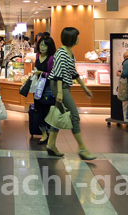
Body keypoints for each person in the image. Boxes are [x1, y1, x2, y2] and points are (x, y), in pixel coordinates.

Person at [46, 27, 96, 160]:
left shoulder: (70, 53)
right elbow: (58, 75)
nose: (79, 38)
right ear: (72, 38)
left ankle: (51, 144)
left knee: (58, 114)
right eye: (77, 36)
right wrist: (60, 93)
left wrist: (84, 87)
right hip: (60, 86)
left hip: (64, 86)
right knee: (74, 115)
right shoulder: (61, 53)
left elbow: (73, 73)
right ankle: (82, 148)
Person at [34, 36, 56, 144]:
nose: (42, 47)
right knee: (38, 111)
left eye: (45, 45)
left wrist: (42, 73)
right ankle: (43, 134)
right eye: (41, 44)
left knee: (47, 112)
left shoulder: (51, 58)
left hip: (48, 88)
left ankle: (50, 134)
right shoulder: (38, 56)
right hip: (38, 88)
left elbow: (53, 75)